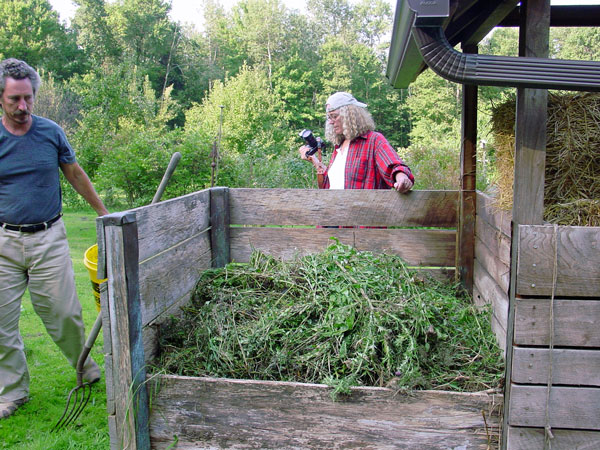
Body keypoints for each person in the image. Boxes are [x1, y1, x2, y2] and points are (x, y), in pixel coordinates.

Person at [0, 58, 109, 420]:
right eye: (15, 99)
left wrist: (103, 213)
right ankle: (12, 392)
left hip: (49, 237)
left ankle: (85, 368)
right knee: (1, 322)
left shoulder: (50, 132)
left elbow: (75, 173)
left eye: (28, 98)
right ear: (1, 98)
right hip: (4, 242)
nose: (23, 107)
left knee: (64, 313)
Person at [299, 91, 414, 192]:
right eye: (329, 117)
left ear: (349, 116)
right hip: (338, 215)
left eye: (334, 116)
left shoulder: (373, 141)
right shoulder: (338, 148)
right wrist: (314, 160)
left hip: (365, 214)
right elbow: (332, 187)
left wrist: (401, 177)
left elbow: (394, 165)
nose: (330, 122)